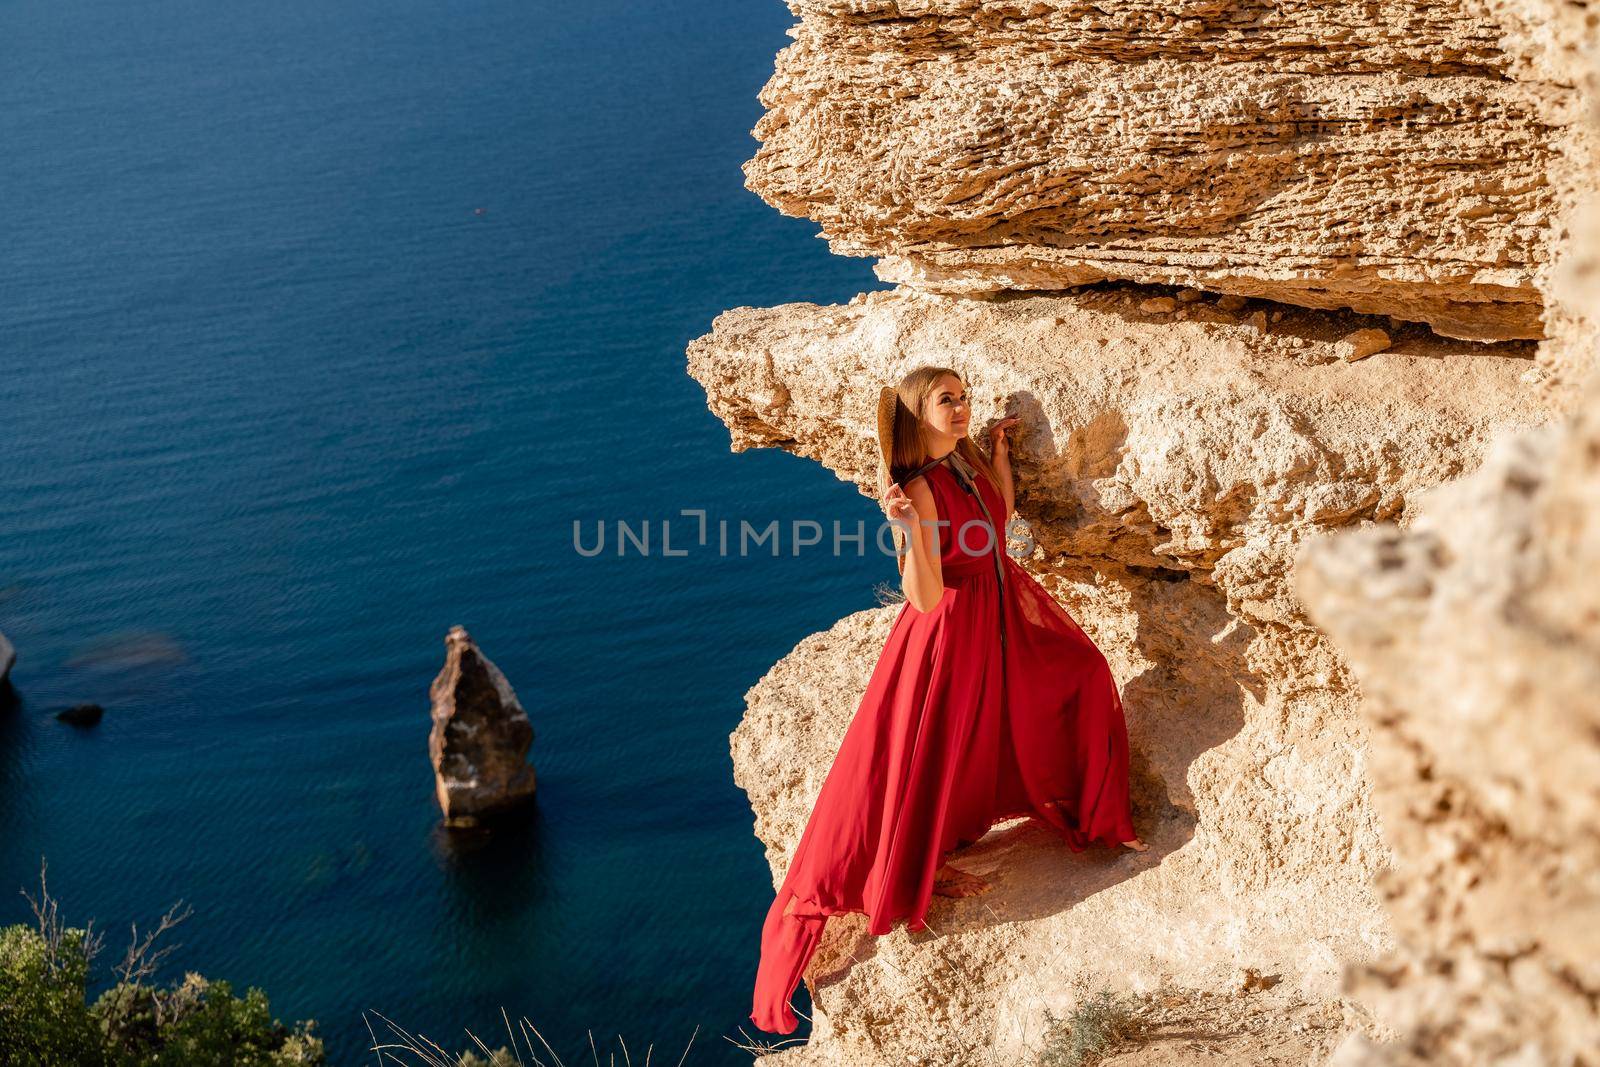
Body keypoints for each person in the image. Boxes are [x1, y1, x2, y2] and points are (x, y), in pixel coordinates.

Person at [748, 365, 1147, 1035]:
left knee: (1075, 674)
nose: (962, 408)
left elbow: (1001, 514)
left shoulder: (960, 463)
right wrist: (905, 528)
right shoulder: (918, 489)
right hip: (949, 635)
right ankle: (918, 863)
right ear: (916, 413)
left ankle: (1091, 813)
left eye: (964, 397)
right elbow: (925, 595)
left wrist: (995, 453)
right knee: (935, 750)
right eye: (947, 401)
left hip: (1001, 611)